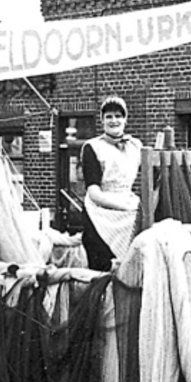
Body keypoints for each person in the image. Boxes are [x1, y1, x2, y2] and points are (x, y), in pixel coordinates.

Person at [79, 95, 142, 271]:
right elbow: (94, 193)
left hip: (128, 203)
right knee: (102, 266)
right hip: (100, 211)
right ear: (102, 120)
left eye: (118, 116)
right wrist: (126, 207)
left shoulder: (136, 146)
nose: (114, 121)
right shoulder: (93, 147)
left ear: (125, 119)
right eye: (109, 117)